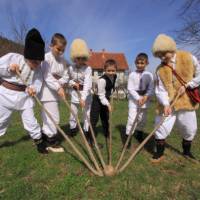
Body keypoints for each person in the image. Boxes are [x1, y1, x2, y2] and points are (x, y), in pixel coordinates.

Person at [152, 34, 200, 162]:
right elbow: (160, 90)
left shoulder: (189, 58)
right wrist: (166, 104)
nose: (162, 57)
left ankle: (186, 151)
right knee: (161, 125)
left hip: (186, 101)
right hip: (168, 102)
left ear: (171, 49)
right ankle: (159, 153)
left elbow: (199, 75)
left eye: (164, 54)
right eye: (159, 55)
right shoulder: (159, 69)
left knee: (189, 127)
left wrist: (188, 85)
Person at [0, 28, 48, 153]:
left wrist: (33, 89)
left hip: (24, 97)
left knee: (31, 121)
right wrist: (8, 68)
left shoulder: (38, 70)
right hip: (5, 95)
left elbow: (37, 82)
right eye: (34, 61)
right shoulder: (13, 57)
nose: (37, 64)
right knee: (1, 121)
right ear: (27, 55)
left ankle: (39, 143)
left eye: (39, 62)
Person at [39, 33, 69, 152]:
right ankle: (51, 143)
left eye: (63, 50)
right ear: (51, 45)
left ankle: (45, 140)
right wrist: (58, 87)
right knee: (53, 119)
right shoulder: (46, 58)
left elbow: (66, 76)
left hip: (56, 93)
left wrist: (60, 83)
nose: (61, 52)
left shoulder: (63, 61)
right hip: (47, 93)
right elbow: (47, 77)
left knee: (50, 118)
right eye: (58, 49)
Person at [124, 53, 154, 148]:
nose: (139, 65)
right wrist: (138, 98)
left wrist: (145, 96)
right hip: (134, 100)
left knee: (142, 119)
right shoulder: (132, 74)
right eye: (138, 63)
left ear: (147, 63)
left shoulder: (149, 75)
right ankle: (128, 139)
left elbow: (151, 88)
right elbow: (130, 88)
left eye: (142, 63)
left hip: (145, 100)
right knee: (131, 120)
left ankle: (139, 134)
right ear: (135, 63)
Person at [89, 59, 117, 146]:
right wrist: (108, 104)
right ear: (104, 70)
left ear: (116, 70)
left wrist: (112, 92)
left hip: (106, 98)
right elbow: (101, 96)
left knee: (105, 118)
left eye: (113, 70)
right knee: (94, 119)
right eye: (109, 70)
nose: (111, 72)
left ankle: (107, 134)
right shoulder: (102, 80)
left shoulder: (115, 76)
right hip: (97, 100)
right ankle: (90, 139)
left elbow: (111, 87)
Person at [68, 38, 92, 138]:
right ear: (74, 57)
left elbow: (87, 84)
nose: (80, 60)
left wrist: (83, 98)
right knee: (73, 114)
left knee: (86, 114)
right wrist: (73, 83)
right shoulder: (70, 68)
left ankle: (86, 132)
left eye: (82, 58)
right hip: (74, 94)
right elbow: (67, 80)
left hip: (86, 95)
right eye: (78, 58)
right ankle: (72, 129)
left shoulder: (88, 69)